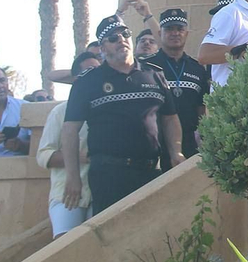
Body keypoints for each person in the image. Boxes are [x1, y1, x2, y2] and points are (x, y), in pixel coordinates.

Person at [61, 17, 183, 215]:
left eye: (125, 34)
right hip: (109, 174)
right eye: (113, 37)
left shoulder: (154, 75)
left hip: (150, 172)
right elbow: (69, 130)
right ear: (102, 47)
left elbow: (170, 118)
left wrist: (176, 152)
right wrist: (72, 177)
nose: (122, 40)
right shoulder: (87, 82)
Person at [38, 53, 101, 237]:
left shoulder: (110, 110)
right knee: (64, 247)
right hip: (68, 195)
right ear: (76, 79)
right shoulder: (60, 112)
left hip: (100, 191)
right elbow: (43, 155)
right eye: (90, 71)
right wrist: (80, 157)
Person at [141, 8, 208, 160]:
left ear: (187, 33)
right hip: (153, 145)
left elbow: (201, 109)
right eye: (169, 29)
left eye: (180, 29)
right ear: (160, 33)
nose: (175, 33)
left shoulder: (197, 68)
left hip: (189, 146)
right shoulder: (145, 66)